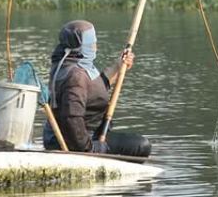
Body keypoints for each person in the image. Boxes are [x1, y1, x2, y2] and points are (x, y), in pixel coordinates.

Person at [42, 20, 151, 157]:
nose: (96, 47)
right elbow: (72, 119)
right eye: (92, 44)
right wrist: (90, 148)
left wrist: (119, 66)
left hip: (81, 138)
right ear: (83, 46)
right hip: (72, 142)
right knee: (141, 146)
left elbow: (97, 87)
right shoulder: (76, 76)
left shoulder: (72, 64)